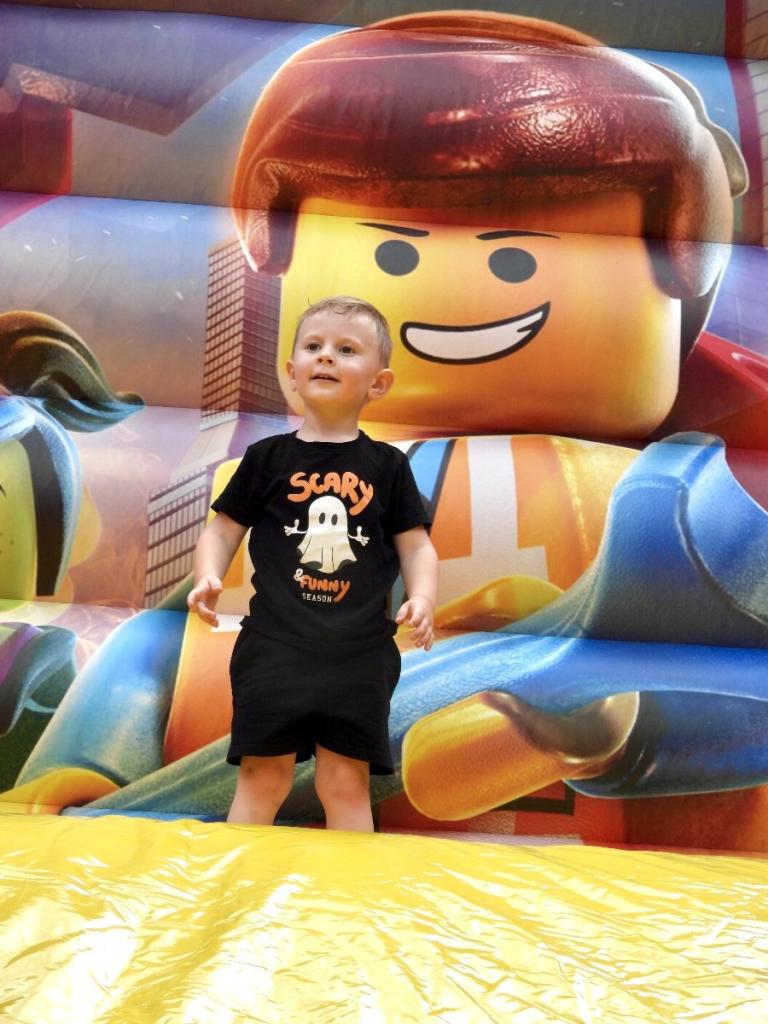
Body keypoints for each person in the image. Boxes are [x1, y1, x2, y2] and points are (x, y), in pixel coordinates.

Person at [186, 296, 438, 831]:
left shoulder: (388, 466)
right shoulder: (267, 458)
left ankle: (346, 885)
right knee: (262, 776)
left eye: (346, 350)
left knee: (345, 782)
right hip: (274, 648)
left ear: (379, 383)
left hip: (358, 655)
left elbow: (416, 545)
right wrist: (208, 574)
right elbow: (223, 529)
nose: (326, 356)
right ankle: (239, 879)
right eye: (314, 346)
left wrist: (422, 597)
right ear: (292, 371)